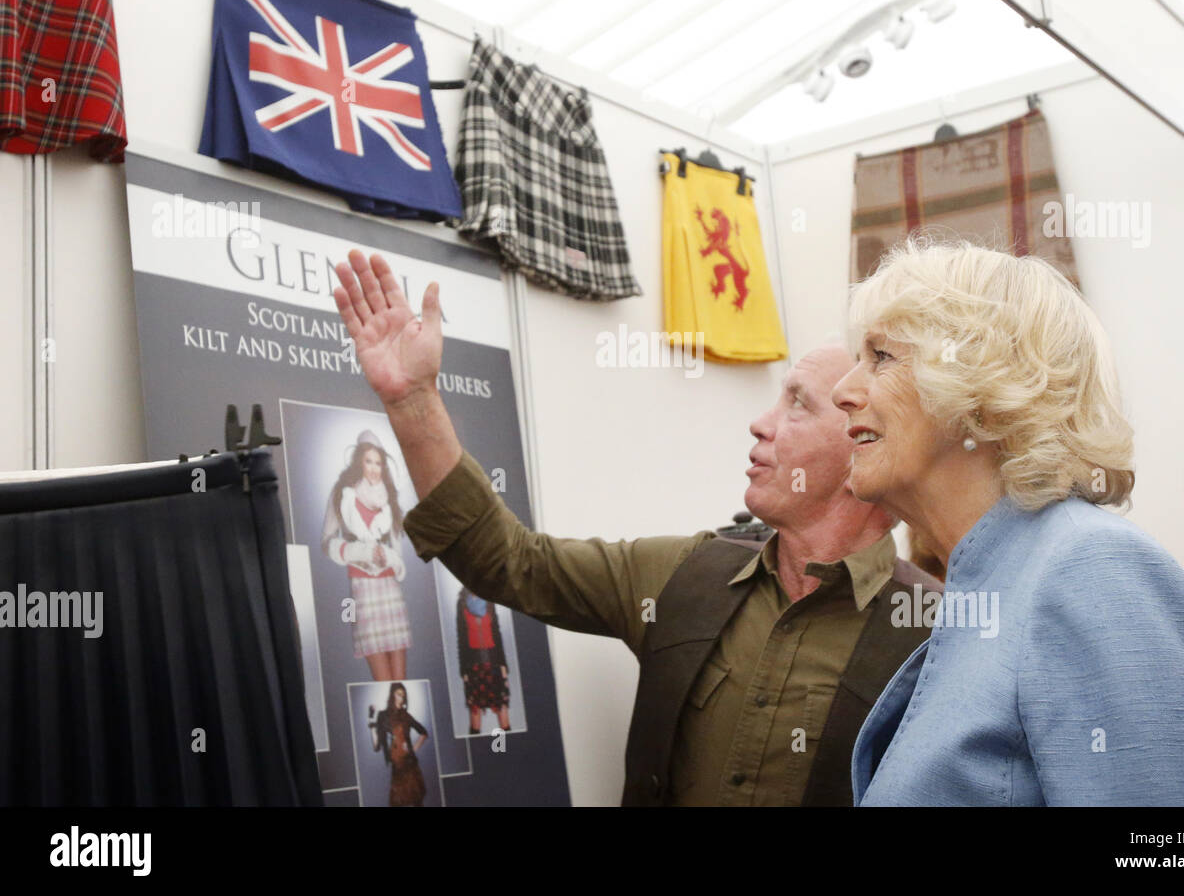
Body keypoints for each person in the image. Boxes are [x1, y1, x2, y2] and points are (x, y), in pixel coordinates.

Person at [331, 249, 941, 806]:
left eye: (798, 404)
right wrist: (413, 400)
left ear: (864, 442)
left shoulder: (935, 634)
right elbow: (507, 560)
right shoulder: (683, 576)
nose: (760, 423)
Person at [830, 238, 1184, 806]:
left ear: (982, 389)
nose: (843, 390)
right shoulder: (998, 580)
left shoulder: (1093, 570)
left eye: (881, 357)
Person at [322, 431, 411, 680]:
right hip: (363, 587)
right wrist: (358, 551)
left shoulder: (390, 497)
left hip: (390, 588)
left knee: (400, 684)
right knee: (384, 685)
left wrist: (391, 559)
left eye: (378, 462)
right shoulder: (342, 494)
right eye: (368, 461)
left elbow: (398, 551)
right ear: (359, 462)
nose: (374, 468)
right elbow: (327, 542)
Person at [456, 587, 511, 733]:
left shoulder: (490, 601)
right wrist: (463, 669)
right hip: (473, 665)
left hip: (493, 662)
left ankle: (503, 749)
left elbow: (496, 633)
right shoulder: (461, 603)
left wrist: (503, 664)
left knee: (502, 708)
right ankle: (478, 748)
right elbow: (461, 639)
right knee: (475, 710)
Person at [369, 682, 428, 807]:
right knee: (397, 802)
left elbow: (423, 732)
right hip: (397, 765)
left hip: (410, 762)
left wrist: (413, 748)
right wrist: (371, 723)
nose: (402, 697)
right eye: (399, 694)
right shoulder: (383, 716)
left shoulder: (406, 715)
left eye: (403, 695)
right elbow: (376, 746)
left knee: (417, 800)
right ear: (392, 695)